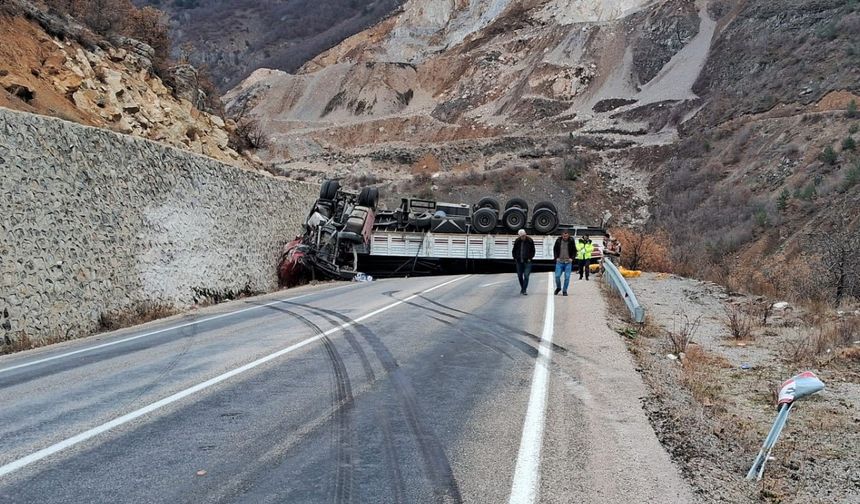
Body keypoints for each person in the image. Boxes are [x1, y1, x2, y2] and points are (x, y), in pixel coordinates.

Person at [511, 229, 535, 295]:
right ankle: (523, 288)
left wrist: (530, 258)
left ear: (525, 234)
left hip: (527, 261)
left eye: (524, 235)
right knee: (519, 276)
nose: (523, 237)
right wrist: (515, 257)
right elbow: (514, 250)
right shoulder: (517, 241)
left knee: (526, 275)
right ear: (519, 236)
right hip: (519, 261)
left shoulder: (530, 240)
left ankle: (524, 290)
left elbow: (533, 251)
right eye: (522, 236)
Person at [553, 229, 576, 296]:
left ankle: (564, 290)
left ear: (568, 235)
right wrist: (556, 258)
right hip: (559, 262)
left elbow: (574, 251)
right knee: (557, 276)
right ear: (562, 235)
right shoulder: (558, 241)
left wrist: (572, 258)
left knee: (567, 277)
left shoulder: (571, 241)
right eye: (564, 236)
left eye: (566, 236)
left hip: (568, 262)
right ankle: (558, 287)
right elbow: (555, 249)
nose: (565, 237)